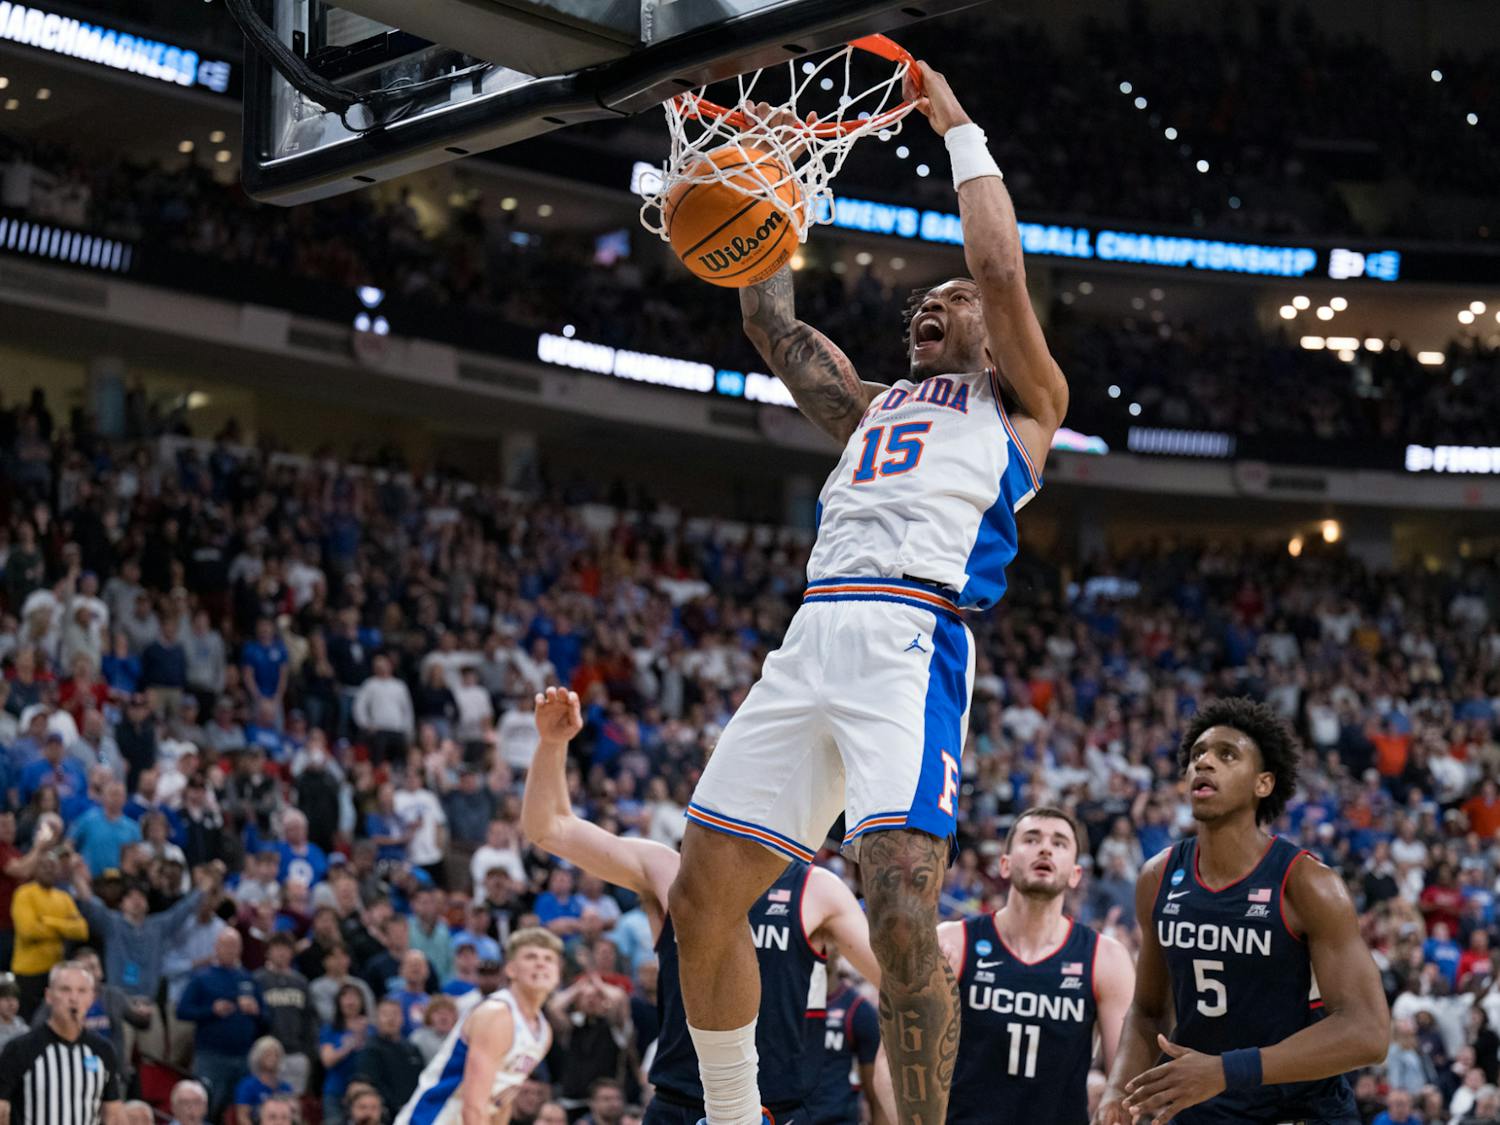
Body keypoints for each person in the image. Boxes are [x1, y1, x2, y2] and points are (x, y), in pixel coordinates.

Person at [667, 61, 1071, 1125]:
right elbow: (772, 328)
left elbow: (999, 268)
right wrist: (756, 189)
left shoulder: (1024, 403)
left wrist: (959, 127)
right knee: (699, 896)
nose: (926, 309)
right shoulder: (869, 407)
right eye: (921, 305)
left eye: (947, 303)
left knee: (898, 907)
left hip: (913, 634)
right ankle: (730, 1113)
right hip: (812, 633)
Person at [521, 688, 884, 1125]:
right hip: (678, 1103)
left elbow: (898, 982)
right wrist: (552, 743)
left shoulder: (818, 888)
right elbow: (550, 828)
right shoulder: (667, 869)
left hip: (777, 1109)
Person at [1099, 698, 1391, 1125]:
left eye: (1226, 755)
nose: (1204, 764)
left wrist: (1225, 1071)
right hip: (1201, 1107)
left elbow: (1368, 1032)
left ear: (1263, 784)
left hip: (1298, 1110)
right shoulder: (1158, 877)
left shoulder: (1307, 883)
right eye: (1197, 755)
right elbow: (1148, 1011)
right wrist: (1116, 1095)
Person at [939, 807, 1134, 1124]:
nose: (1045, 848)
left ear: (1075, 873)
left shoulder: (1106, 958)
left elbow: (1123, 1089)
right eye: (1031, 839)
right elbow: (899, 1061)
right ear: (1004, 864)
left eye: (1059, 843)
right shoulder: (954, 942)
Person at [393, 927, 563, 1125]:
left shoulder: (543, 1032)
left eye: (549, 959)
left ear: (558, 973)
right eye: (531, 957)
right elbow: (473, 1105)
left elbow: (501, 1101)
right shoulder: (496, 1014)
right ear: (510, 969)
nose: (541, 964)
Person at [0, 960, 125, 1125]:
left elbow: (113, 1114)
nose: (74, 998)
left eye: (82, 991)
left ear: (92, 998)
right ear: (49, 996)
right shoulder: (20, 1049)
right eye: (65, 990)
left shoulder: (103, 1050)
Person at [176, 928, 266, 1121]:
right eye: (226, 945)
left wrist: (256, 1011)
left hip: (244, 1057)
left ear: (241, 949)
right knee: (205, 1109)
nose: (230, 950)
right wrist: (211, 1010)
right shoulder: (202, 977)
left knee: (243, 1112)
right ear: (216, 948)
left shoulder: (248, 978)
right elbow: (182, 1011)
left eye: (234, 946)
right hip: (211, 1056)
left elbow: (267, 1018)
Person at [806, 955, 882, 1125]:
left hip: (838, 1117)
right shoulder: (786, 1000)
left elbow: (875, 1094)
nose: (822, 946)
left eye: (828, 938)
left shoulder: (858, 1008)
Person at [11, 851, 89, 1017]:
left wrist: (47, 922)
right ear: (35, 870)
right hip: (28, 973)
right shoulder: (24, 894)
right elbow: (28, 931)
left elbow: (81, 930)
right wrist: (64, 929)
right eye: (44, 866)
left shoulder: (64, 898)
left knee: (56, 1018)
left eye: (53, 867)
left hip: (56, 972)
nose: (48, 870)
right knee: (28, 1022)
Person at [356, 997, 427, 1116]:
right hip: (386, 1115)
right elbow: (373, 1084)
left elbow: (423, 1080)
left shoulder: (412, 1048)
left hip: (414, 1112)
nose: (391, 1018)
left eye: (395, 1014)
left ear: (403, 1019)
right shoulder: (370, 1049)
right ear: (376, 1020)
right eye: (385, 1014)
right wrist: (396, 1106)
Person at [235, 1036, 293, 1125]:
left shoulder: (286, 1087)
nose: (272, 1058)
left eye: (276, 1055)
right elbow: (242, 1117)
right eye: (268, 1054)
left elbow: (293, 1115)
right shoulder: (247, 1086)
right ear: (258, 1057)